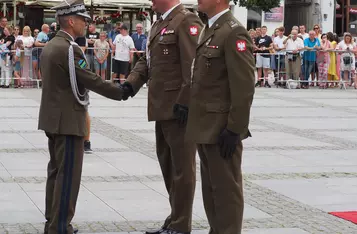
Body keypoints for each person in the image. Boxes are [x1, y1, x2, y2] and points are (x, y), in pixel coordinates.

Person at [38, 0, 124, 233]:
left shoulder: (52, 45)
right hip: (68, 121)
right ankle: (61, 226)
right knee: (68, 177)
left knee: (55, 173)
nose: (86, 23)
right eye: (83, 19)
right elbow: (90, 79)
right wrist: (121, 91)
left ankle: (52, 221)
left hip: (53, 118)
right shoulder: (69, 48)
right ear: (71, 20)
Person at [121, 0, 203, 233]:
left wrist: (186, 102)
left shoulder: (186, 20)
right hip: (161, 108)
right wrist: (130, 84)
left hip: (179, 110)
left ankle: (180, 225)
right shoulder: (159, 24)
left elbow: (193, 66)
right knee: (168, 166)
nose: (150, 1)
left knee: (182, 169)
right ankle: (175, 216)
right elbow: (147, 61)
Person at [186, 0, 255, 233]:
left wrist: (235, 129)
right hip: (205, 126)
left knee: (226, 193)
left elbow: (244, 86)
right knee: (212, 191)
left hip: (221, 129)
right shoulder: (210, 28)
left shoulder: (234, 31)